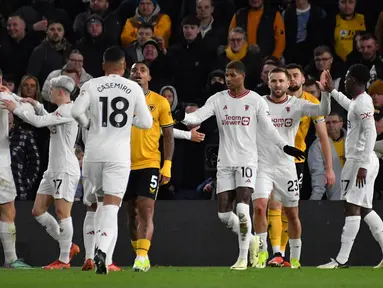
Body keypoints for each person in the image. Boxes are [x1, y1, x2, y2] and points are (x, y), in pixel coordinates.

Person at [174, 60, 306, 270]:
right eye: (226, 75)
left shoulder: (255, 100)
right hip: (225, 162)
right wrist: (183, 117)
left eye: (232, 75)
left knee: (244, 208)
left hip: (248, 160)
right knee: (224, 215)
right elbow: (197, 117)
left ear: (242, 76)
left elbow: (270, 129)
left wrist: (285, 147)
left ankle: (243, 258)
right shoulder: (218, 99)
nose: (228, 79)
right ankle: (253, 240)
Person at [71, 46, 153, 274]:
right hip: (118, 156)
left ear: (103, 66)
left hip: (93, 155)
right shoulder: (133, 87)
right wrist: (128, 121)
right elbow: (146, 123)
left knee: (93, 204)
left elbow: (76, 112)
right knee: (111, 206)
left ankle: (90, 255)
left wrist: (89, 123)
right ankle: (103, 254)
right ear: (125, 66)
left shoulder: (91, 85)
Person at [252, 67, 331, 269]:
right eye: (274, 81)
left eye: (281, 81)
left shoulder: (298, 104)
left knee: (292, 214)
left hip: (287, 166)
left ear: (288, 84)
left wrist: (327, 93)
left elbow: (322, 111)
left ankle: (294, 258)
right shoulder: (259, 103)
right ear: (268, 83)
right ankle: (263, 254)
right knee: (260, 206)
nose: (277, 85)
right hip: (263, 165)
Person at [1, 75, 81, 269]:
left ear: (60, 92)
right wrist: (36, 104)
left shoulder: (69, 111)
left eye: (52, 89)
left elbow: (39, 122)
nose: (48, 92)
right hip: (53, 169)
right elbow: (47, 118)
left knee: (63, 212)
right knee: (38, 211)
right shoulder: (61, 110)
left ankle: (63, 259)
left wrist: (16, 108)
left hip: (65, 169)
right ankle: (68, 246)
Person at [317, 65, 383, 269]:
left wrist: (362, 164)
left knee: (351, 207)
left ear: (354, 79)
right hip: (362, 160)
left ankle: (341, 260)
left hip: (360, 161)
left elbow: (371, 132)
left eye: (346, 78)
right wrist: (332, 91)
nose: (344, 81)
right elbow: (349, 107)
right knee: (364, 208)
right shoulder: (358, 102)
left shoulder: (363, 103)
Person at [124, 62, 174, 272]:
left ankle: (142, 257)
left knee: (146, 209)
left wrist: (167, 165)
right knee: (131, 214)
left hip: (149, 163)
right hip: (122, 163)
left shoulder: (160, 102)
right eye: (134, 70)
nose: (138, 73)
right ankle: (139, 255)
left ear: (149, 77)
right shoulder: (122, 100)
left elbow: (169, 135)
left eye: (142, 70)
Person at [0, 86, 31, 269]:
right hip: (0, 163)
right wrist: (12, 95)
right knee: (7, 210)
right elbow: (29, 111)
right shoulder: (3, 96)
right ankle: (11, 259)